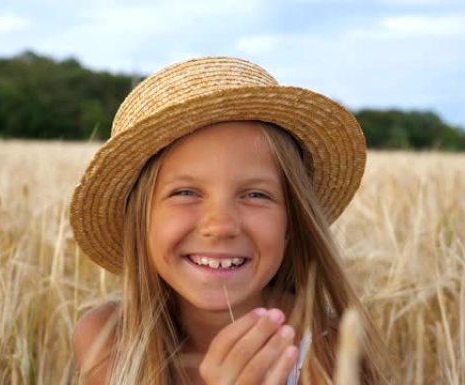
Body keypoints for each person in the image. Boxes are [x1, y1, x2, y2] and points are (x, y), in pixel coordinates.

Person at [69, 57, 387, 384]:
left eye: (255, 195)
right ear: (140, 221)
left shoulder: (328, 348)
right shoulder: (108, 340)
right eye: (186, 192)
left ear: (291, 221)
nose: (220, 226)